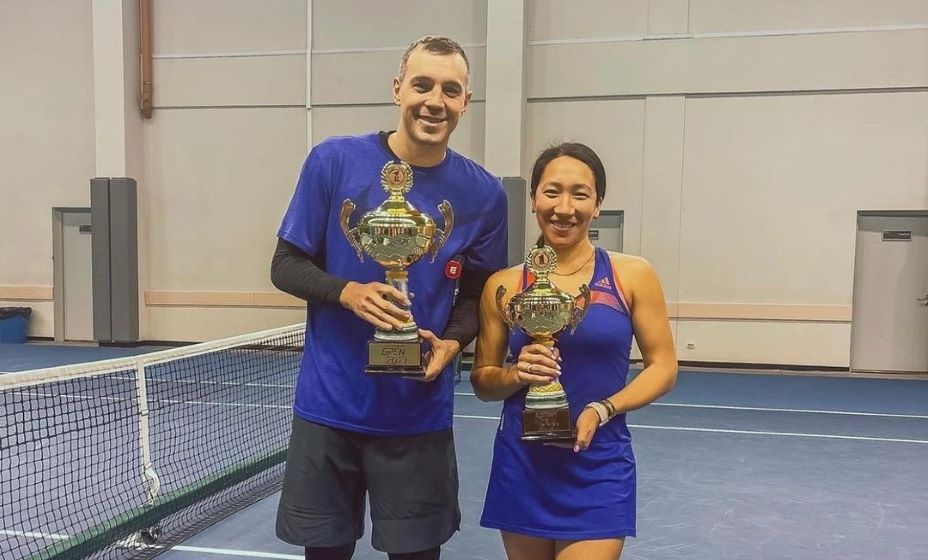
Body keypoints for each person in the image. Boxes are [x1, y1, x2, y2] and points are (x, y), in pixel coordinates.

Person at [271, 36, 508, 560]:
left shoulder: (485, 194)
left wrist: (453, 343)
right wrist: (347, 292)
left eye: (450, 90)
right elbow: (285, 265)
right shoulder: (333, 160)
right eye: (422, 85)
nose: (434, 102)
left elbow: (480, 293)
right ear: (398, 89)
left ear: (466, 101)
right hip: (329, 407)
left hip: (417, 414)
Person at [471, 143, 677, 560]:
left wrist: (603, 408)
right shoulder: (503, 285)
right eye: (552, 192)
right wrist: (515, 374)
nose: (564, 208)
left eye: (580, 194)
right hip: (523, 463)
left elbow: (663, 367)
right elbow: (483, 380)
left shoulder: (632, 275)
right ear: (534, 199)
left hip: (599, 461)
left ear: (597, 204)